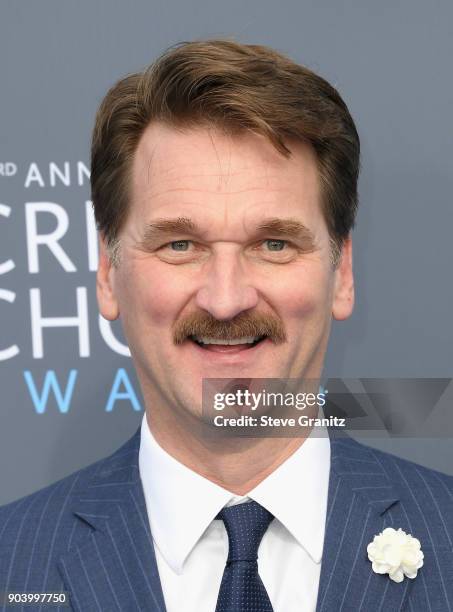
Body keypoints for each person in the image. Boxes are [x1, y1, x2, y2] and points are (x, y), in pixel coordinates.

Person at [0, 40, 452, 612]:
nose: (225, 299)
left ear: (342, 275)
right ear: (109, 276)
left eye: (274, 243)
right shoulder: (12, 562)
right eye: (180, 244)